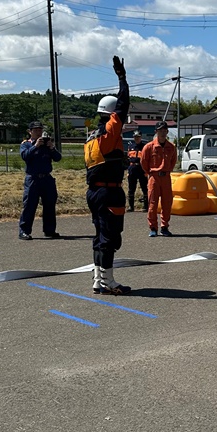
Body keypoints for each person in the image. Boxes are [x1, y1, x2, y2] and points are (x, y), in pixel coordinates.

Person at [84, 56, 131, 295]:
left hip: (93, 192)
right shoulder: (110, 131)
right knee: (110, 238)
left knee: (99, 236)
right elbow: (123, 104)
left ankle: (97, 278)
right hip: (108, 191)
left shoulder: (91, 136)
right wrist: (122, 78)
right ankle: (108, 282)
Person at [19, 120, 62, 240]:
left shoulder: (47, 145)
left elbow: (58, 158)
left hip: (47, 178)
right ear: (30, 131)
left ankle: (49, 230)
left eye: (40, 130)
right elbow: (25, 156)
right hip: (33, 178)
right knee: (29, 205)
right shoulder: (26, 144)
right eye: (36, 130)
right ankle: (24, 231)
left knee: (49, 205)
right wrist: (35, 146)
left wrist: (52, 148)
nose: (38, 132)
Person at [141, 122, 178, 236]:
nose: (162, 132)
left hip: (166, 177)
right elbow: (143, 162)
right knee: (152, 203)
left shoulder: (171, 147)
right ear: (156, 132)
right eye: (160, 130)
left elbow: (173, 161)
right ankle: (153, 228)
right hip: (154, 177)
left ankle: (164, 226)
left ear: (167, 132)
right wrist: (150, 172)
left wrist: (167, 170)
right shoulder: (149, 147)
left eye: (164, 130)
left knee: (167, 203)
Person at [127, 132, 148, 211]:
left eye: (138, 137)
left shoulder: (144, 147)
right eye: (135, 137)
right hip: (132, 168)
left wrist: (146, 171)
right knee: (131, 188)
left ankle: (146, 206)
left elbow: (147, 159)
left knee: (144, 188)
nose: (136, 138)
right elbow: (128, 159)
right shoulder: (131, 146)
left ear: (141, 137)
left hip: (141, 169)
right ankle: (131, 207)